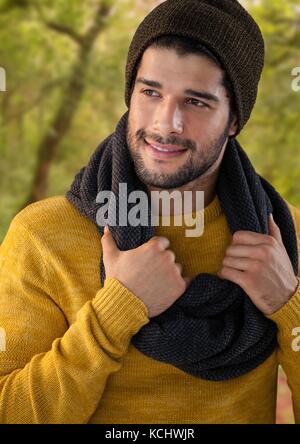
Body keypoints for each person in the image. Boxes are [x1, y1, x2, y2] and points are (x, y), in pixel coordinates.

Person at [0, 0, 299, 424]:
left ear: (234, 119)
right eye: (151, 92)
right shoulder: (42, 235)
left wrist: (289, 306)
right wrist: (117, 311)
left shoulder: (284, 237)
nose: (166, 123)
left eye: (196, 102)